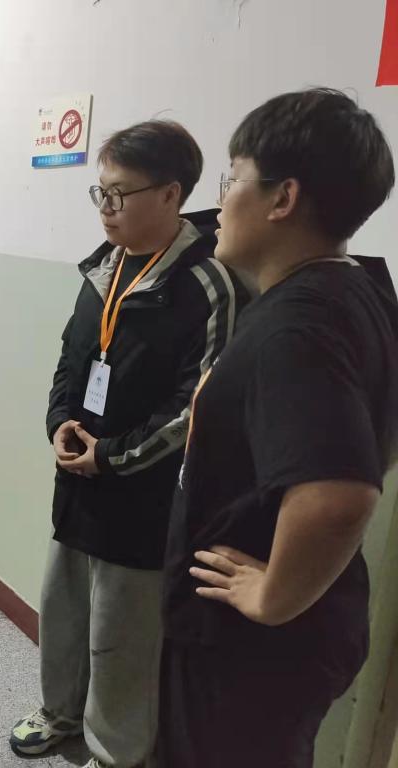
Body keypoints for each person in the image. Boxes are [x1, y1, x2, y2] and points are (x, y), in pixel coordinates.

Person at [160, 88, 397, 768]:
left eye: (232, 178)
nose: (219, 203)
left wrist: (271, 597)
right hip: (294, 638)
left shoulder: (298, 326)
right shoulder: (357, 288)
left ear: (283, 197)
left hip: (249, 651)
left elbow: (339, 495)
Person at [9, 121, 246, 768]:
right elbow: (71, 359)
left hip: (144, 497)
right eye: (101, 193)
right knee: (64, 612)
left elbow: (195, 405)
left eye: (119, 194)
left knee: (122, 636)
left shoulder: (208, 285)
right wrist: (60, 422)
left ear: (170, 194)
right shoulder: (103, 268)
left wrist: (111, 457)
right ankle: (59, 714)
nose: (106, 208)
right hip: (77, 481)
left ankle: (116, 751)